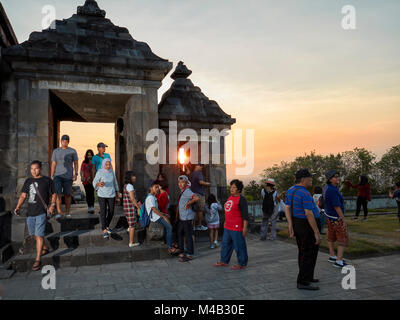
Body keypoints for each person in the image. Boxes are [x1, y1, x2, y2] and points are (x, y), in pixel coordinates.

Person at [14, 160, 56, 271]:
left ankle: (37, 259)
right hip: (30, 213)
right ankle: (45, 247)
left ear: (40, 168)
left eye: (36, 168)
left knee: (39, 234)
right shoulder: (28, 181)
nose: (34, 171)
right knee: (34, 234)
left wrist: (52, 205)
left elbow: (54, 194)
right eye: (32, 169)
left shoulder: (47, 180)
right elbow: (23, 196)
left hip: (41, 212)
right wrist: (18, 206)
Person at [284, 169, 321, 290]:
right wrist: (316, 232)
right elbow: (309, 213)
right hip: (307, 225)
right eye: (310, 177)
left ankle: (308, 276)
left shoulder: (290, 190)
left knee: (304, 251)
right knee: (308, 253)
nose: (311, 179)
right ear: (304, 179)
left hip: (297, 224)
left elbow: (287, 208)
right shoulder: (304, 193)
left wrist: (290, 224)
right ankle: (302, 281)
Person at [214, 179, 249, 270]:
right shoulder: (230, 198)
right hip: (228, 226)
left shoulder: (242, 200)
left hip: (237, 227)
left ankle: (242, 263)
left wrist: (245, 228)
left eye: (234, 187)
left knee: (239, 245)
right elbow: (228, 211)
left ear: (239, 189)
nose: (232, 189)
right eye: (231, 187)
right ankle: (224, 261)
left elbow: (245, 215)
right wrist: (225, 221)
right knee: (225, 244)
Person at [324, 170, 350, 269]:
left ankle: (332, 255)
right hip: (336, 217)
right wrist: (343, 219)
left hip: (329, 215)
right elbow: (336, 206)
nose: (337, 178)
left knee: (330, 235)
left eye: (338, 176)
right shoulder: (333, 190)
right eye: (335, 177)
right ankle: (339, 261)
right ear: (330, 179)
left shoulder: (327, 187)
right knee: (342, 237)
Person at [50, 134, 79, 219]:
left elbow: (76, 163)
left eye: (66, 141)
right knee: (58, 193)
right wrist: (52, 174)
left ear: (68, 142)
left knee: (68, 194)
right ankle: (59, 212)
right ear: (61, 141)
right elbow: (53, 163)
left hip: (68, 176)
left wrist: (76, 174)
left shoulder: (72, 151)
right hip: (57, 176)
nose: (64, 142)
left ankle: (67, 212)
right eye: (63, 141)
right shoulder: (56, 151)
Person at [145, 181, 178, 255]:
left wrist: (164, 215)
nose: (157, 189)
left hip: (157, 215)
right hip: (155, 217)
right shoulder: (150, 197)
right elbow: (154, 210)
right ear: (151, 188)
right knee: (169, 227)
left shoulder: (153, 196)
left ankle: (169, 242)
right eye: (155, 187)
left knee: (168, 227)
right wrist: (163, 216)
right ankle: (170, 247)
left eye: (157, 187)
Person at [93, 159, 121, 239]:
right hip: (102, 194)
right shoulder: (100, 172)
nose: (108, 166)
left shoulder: (112, 172)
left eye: (109, 164)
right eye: (106, 164)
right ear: (103, 164)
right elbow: (94, 182)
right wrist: (99, 184)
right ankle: (104, 230)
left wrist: (117, 191)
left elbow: (115, 182)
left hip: (111, 194)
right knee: (103, 211)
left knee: (111, 211)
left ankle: (107, 225)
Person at [176, 175, 199, 261]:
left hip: (187, 218)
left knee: (188, 235)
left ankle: (189, 254)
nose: (180, 184)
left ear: (186, 183)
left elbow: (196, 198)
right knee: (180, 233)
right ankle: (182, 251)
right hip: (182, 218)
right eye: (179, 182)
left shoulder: (187, 191)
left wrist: (188, 204)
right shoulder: (183, 191)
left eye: (182, 182)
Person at [123, 171, 141, 247]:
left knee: (131, 222)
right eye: (133, 176)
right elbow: (133, 199)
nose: (135, 177)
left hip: (127, 207)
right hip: (130, 207)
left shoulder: (126, 185)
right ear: (130, 178)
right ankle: (131, 242)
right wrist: (138, 207)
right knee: (132, 225)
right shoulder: (130, 186)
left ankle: (129, 228)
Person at [189, 164, 211, 231]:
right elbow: (200, 182)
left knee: (194, 210)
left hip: (192, 193)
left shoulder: (191, 174)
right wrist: (208, 184)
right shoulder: (199, 173)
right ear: (197, 166)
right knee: (200, 210)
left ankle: (193, 226)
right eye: (201, 166)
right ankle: (199, 225)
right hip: (199, 194)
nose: (201, 168)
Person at [80, 149, 95, 214]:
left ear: (92, 155)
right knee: (88, 194)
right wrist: (82, 177)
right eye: (88, 155)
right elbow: (81, 171)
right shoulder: (84, 162)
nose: (89, 156)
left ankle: (92, 206)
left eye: (90, 155)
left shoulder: (93, 162)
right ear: (86, 155)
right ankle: (89, 207)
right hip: (86, 181)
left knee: (92, 194)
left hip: (93, 180)